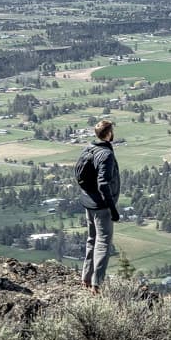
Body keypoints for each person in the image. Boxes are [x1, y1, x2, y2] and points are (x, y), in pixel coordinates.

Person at [77, 119, 121, 292]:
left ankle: (86, 278)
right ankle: (97, 284)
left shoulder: (89, 148)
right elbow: (103, 183)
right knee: (103, 243)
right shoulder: (106, 154)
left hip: (88, 201)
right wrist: (112, 208)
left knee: (92, 240)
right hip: (102, 206)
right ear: (109, 133)